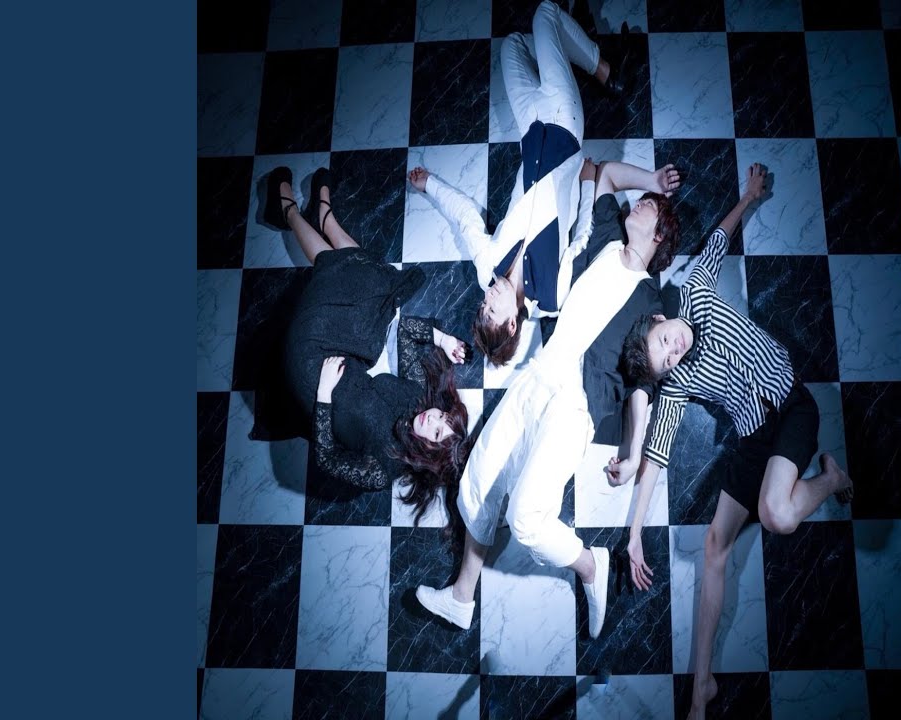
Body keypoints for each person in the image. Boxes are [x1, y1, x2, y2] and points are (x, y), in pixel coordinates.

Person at [611, 163, 855, 719]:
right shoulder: (676, 385)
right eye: (665, 360)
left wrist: (748, 197)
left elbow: (717, 240)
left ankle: (832, 478)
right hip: (752, 440)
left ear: (660, 318)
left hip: (790, 408)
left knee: (777, 515)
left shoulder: (695, 292)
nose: (673, 351)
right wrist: (633, 533)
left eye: (663, 341)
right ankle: (702, 685)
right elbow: (655, 457)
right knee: (713, 548)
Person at [413, 156, 683, 641]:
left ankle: (591, 566)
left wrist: (633, 452)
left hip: (575, 405)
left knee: (526, 518)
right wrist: (653, 181)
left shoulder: (651, 303)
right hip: (540, 374)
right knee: (478, 480)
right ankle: (461, 599)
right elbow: (606, 174)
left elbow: (643, 386)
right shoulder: (608, 238)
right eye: (641, 200)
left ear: (659, 234)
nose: (638, 203)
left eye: (648, 206)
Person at [408, 0, 661, 368]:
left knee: (512, 45)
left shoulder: (487, 268)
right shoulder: (551, 295)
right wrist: (587, 183)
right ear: (512, 324)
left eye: (483, 305)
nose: (488, 298)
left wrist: (430, 184)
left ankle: (568, 47)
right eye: (492, 310)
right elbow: (581, 239)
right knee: (545, 13)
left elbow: (465, 219)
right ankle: (606, 71)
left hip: (531, 128)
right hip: (564, 124)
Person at [265, 165, 472, 519]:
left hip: (313, 373)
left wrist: (324, 395)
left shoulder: (382, 469)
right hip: (345, 353)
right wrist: (443, 339)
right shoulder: (416, 400)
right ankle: (322, 217)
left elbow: (327, 458)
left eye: (437, 431)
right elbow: (405, 332)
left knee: (345, 274)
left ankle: (292, 212)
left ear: (429, 457)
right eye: (442, 416)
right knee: (370, 279)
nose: (432, 418)